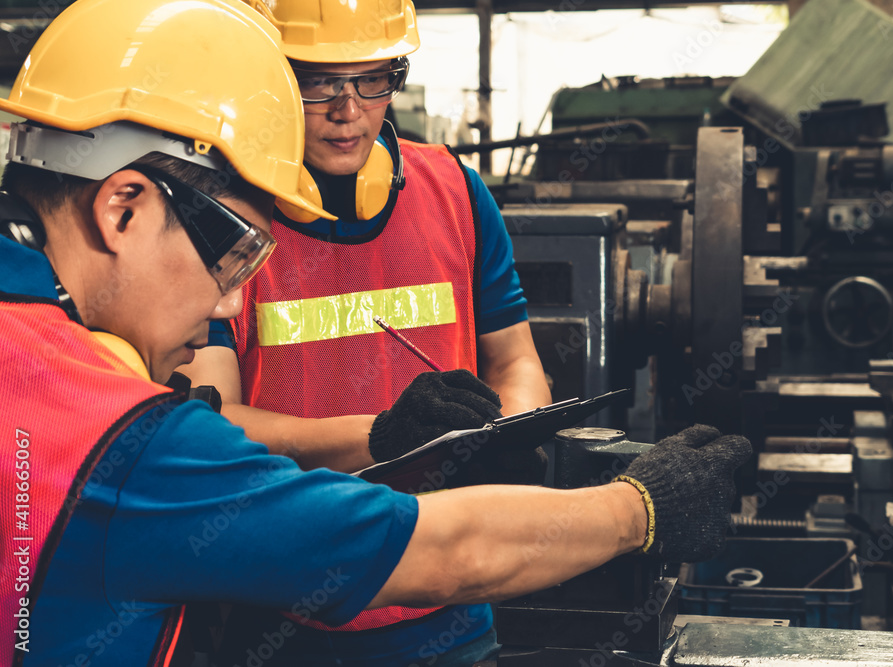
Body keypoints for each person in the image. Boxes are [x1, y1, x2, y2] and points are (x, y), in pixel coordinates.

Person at [0, 1, 750, 666]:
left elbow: (512, 359)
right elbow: (440, 550)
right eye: (230, 251)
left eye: (372, 79)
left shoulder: (40, 355)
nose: (232, 302)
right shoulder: (122, 439)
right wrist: (642, 507)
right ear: (123, 208)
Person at [179, 1, 555, 660]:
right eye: (318, 81)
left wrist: (504, 431)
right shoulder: (224, 217)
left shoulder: (456, 192)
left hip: (453, 601)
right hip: (284, 608)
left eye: (371, 78)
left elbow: (516, 360)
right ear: (269, 77)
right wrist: (383, 437)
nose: (347, 108)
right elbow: (209, 426)